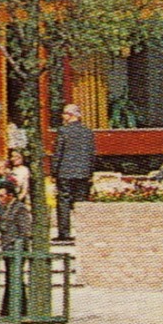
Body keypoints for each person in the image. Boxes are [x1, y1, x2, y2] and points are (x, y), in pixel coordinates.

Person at [52, 103, 95, 243]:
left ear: (70, 115)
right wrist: (90, 171)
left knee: (64, 202)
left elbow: (59, 152)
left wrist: (54, 171)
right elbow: (92, 153)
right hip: (83, 171)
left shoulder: (63, 131)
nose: (62, 116)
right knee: (81, 201)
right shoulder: (87, 132)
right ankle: (83, 230)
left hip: (65, 171)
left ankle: (64, 233)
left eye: (64, 113)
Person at [0, 179, 34, 319]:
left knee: (15, 277)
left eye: (2, 196)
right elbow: (0, 227)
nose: (0, 199)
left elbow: (25, 230)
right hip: (6, 247)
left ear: (10, 195)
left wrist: (19, 244)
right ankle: (12, 309)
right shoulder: (0, 208)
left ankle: (16, 309)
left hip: (17, 248)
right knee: (10, 278)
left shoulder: (19, 208)